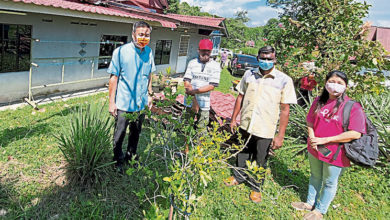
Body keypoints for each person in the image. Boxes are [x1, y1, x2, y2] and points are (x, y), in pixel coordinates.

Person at [224, 46, 297, 203]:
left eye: (269, 58)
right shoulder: (249, 74)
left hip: (265, 128)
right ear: (258, 58)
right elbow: (240, 97)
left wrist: (280, 135)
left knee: (260, 158)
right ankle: (238, 176)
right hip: (246, 124)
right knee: (242, 152)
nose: (266, 61)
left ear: (275, 59)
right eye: (263, 58)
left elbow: (285, 109)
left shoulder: (284, 80)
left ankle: (256, 187)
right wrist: (233, 118)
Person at [291, 70, 366, 220]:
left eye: (340, 83)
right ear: (326, 83)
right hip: (315, 148)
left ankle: (320, 210)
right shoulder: (319, 101)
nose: (335, 86)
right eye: (332, 81)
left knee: (330, 182)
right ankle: (309, 203)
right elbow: (310, 121)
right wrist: (312, 137)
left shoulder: (352, 107)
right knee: (315, 176)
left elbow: (355, 133)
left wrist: (324, 140)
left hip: (336, 153)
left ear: (346, 86)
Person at [107, 21, 156, 172]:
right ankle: (117, 161)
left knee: (135, 133)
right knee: (119, 134)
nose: (143, 38)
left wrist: (149, 94)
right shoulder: (120, 52)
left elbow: (149, 75)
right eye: (141, 34)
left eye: (147, 35)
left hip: (140, 104)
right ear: (133, 34)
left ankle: (131, 157)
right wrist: (111, 102)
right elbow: (113, 78)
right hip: (123, 103)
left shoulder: (149, 52)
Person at [183, 39, 221, 130]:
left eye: (208, 51)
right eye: (203, 50)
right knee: (186, 127)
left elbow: (211, 86)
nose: (205, 53)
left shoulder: (215, 65)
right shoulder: (192, 63)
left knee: (202, 129)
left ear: (211, 51)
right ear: (198, 50)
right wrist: (194, 99)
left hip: (204, 103)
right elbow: (186, 81)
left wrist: (194, 92)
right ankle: (186, 144)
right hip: (189, 102)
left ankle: (198, 144)